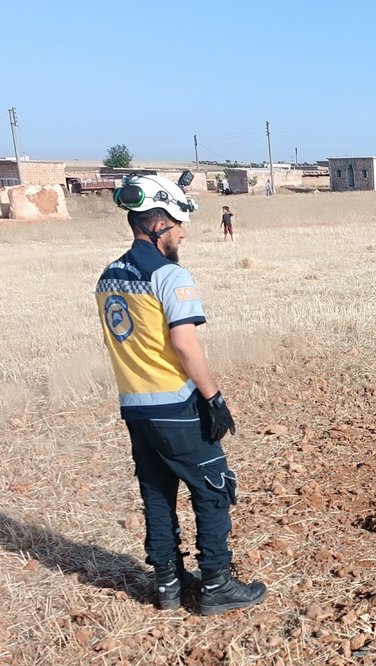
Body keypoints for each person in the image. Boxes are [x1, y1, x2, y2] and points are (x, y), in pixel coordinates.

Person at [95, 173, 266, 613]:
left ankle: (168, 584)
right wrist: (214, 398)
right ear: (158, 227)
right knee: (212, 488)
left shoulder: (109, 276)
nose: (183, 232)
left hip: (135, 407)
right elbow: (185, 344)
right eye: (177, 222)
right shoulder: (169, 275)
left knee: (157, 490)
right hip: (175, 404)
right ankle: (216, 584)